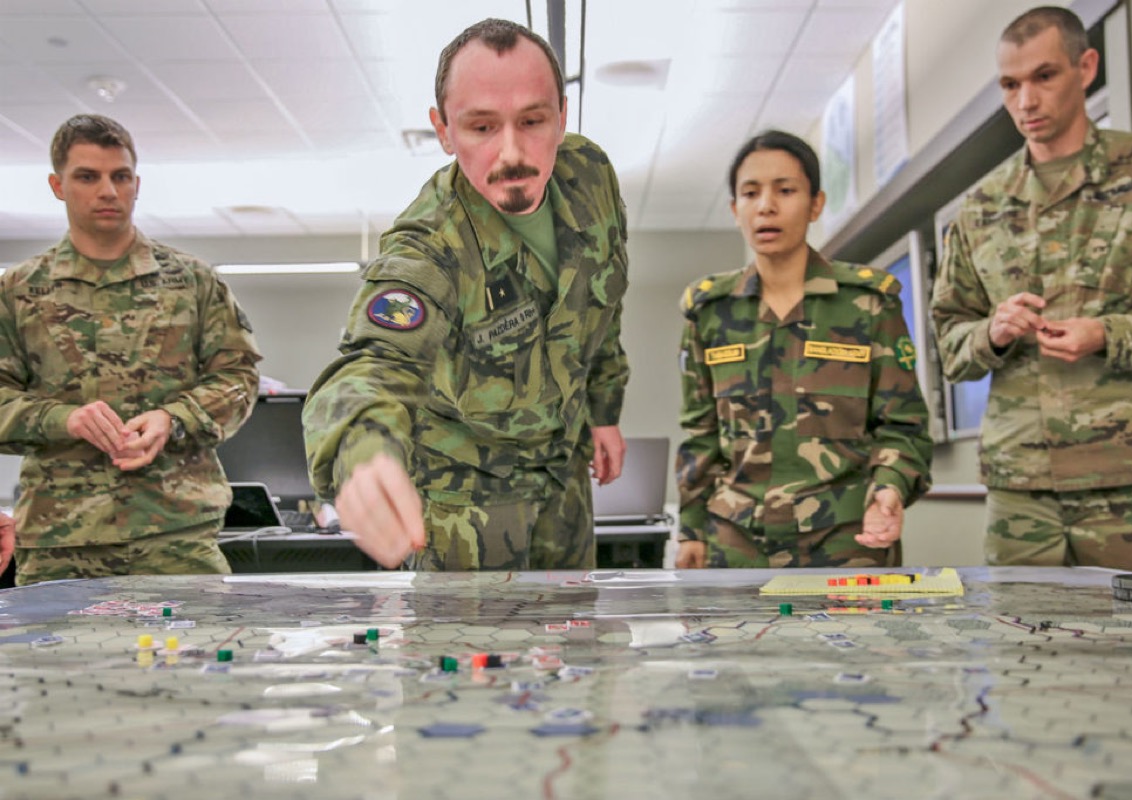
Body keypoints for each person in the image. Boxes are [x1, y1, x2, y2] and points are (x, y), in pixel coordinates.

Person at [303, 19, 630, 571]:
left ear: (563, 116)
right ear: (444, 130)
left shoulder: (589, 175)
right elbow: (373, 365)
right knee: (465, 656)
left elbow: (603, 304)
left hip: (564, 476)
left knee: (576, 647)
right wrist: (362, 452)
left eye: (533, 121)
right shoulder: (430, 245)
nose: (511, 153)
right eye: (481, 127)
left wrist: (604, 409)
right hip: (466, 502)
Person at [931, 6, 1132, 572]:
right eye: (1010, 84)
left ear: (1086, 66)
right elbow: (950, 344)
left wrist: (1110, 333)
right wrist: (993, 333)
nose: (1025, 101)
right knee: (1027, 649)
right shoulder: (980, 206)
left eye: (1043, 76)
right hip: (1021, 486)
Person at [0, 114, 261, 586]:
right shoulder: (18, 291)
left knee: (195, 659)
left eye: (120, 176)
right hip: (62, 536)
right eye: (87, 177)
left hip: (175, 531)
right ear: (58, 185)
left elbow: (238, 379)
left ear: (136, 184)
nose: (108, 191)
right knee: (57, 662)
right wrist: (64, 419)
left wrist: (173, 418)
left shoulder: (193, 281)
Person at [675, 130, 932, 569]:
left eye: (785, 190)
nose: (766, 206)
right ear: (736, 210)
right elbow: (701, 436)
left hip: (847, 540)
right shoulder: (710, 313)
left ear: (816, 203)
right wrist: (691, 531)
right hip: (737, 545)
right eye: (751, 193)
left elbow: (903, 427)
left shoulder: (868, 304)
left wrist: (888, 489)